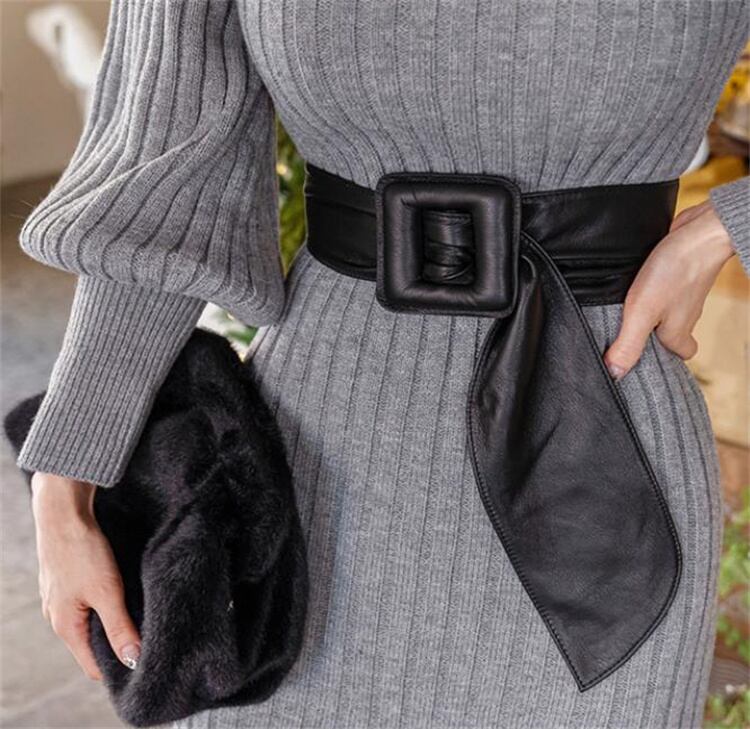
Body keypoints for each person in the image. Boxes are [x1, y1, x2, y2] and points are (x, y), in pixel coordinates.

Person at [16, 1, 750, 727]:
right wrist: (65, 479)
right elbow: (161, 175)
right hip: (308, 476)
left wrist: (721, 230)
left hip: (604, 472)